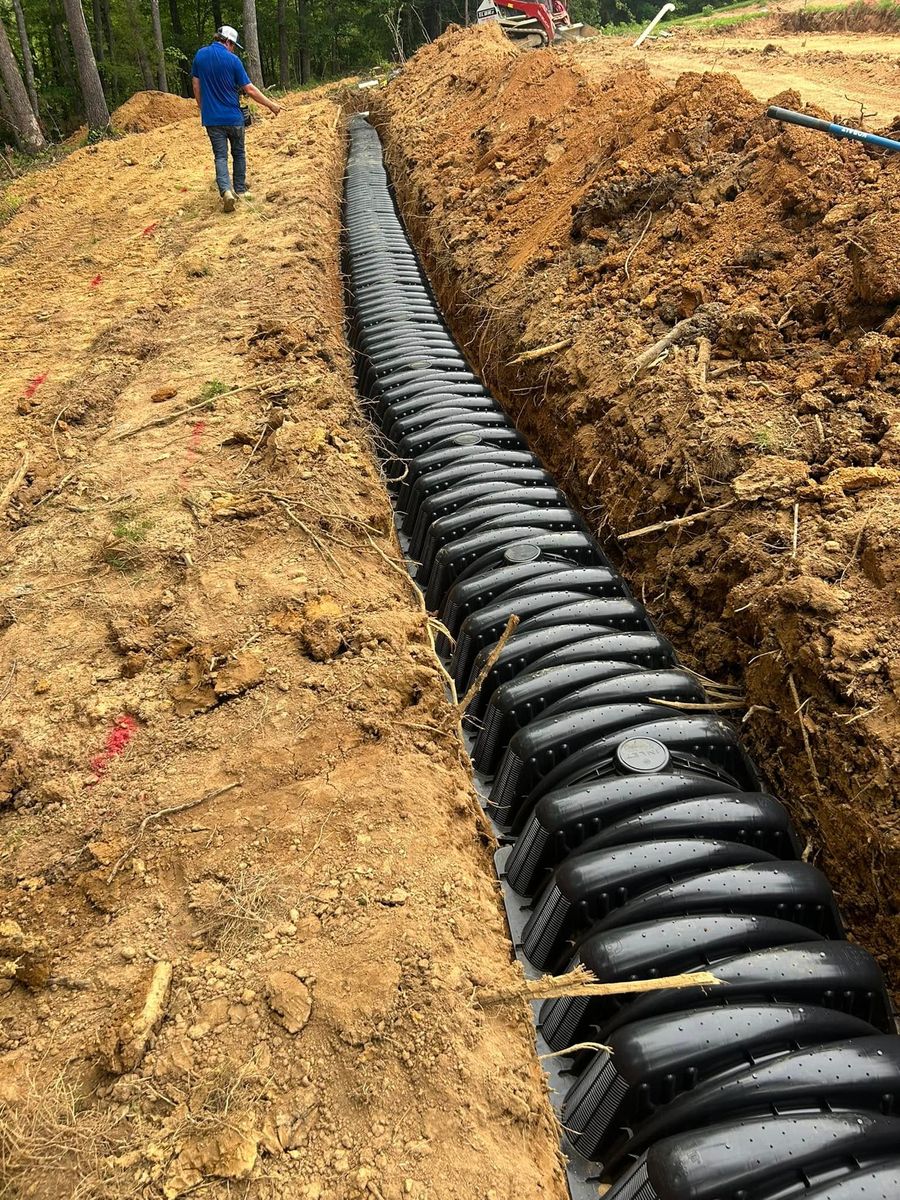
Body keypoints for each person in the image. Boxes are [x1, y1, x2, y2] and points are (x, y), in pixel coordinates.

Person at [191, 25, 283, 212]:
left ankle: (226, 190)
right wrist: (271, 105)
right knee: (238, 153)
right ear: (228, 42)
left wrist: (203, 107)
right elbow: (249, 89)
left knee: (220, 156)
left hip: (212, 119)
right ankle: (239, 189)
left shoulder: (200, 56)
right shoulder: (233, 61)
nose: (233, 49)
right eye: (233, 45)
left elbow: (196, 85)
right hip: (233, 117)